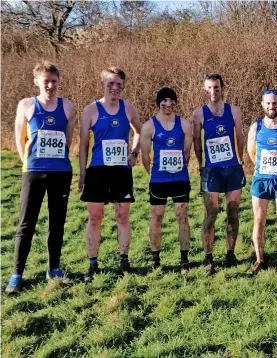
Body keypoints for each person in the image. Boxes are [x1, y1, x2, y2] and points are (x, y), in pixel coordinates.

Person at [6, 61, 75, 293]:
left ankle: (54, 267)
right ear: (36, 81)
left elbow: (68, 139)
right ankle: (17, 273)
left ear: (59, 82)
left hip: (61, 172)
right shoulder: (26, 105)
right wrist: (26, 162)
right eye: (45, 81)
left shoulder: (67, 107)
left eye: (54, 81)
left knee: (57, 223)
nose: (50, 85)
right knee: (27, 223)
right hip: (34, 171)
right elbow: (19, 137)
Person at [79, 66, 142, 282]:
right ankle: (92, 264)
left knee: (122, 216)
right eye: (111, 83)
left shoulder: (129, 109)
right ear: (103, 83)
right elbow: (84, 144)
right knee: (95, 217)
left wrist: (134, 153)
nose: (115, 88)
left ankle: (124, 261)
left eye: (119, 84)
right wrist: (82, 173)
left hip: (121, 172)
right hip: (97, 171)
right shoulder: (90, 110)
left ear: (123, 87)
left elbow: (140, 132)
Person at [192, 74, 245, 273]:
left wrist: (241, 160)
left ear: (223, 88)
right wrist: (200, 164)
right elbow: (197, 142)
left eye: (216, 87)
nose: (213, 92)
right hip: (212, 171)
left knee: (233, 212)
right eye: (209, 88)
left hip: (232, 169)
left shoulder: (234, 111)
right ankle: (208, 257)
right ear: (204, 90)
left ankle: (230, 254)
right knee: (211, 214)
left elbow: (239, 137)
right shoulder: (199, 114)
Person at [140, 88, 193, 274]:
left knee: (182, 217)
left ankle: (184, 260)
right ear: (158, 103)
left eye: (172, 101)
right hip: (159, 180)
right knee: (156, 217)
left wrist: (178, 168)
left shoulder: (185, 125)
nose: (168, 104)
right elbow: (144, 156)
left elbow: (187, 153)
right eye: (164, 101)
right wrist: (152, 174)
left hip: (179, 178)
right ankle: (155, 259)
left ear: (176, 103)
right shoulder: (149, 126)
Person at [246, 89, 277, 275]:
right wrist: (263, 169)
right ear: (262, 104)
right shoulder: (255, 127)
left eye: (274, 103)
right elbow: (251, 153)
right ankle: (259, 260)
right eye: (268, 103)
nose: (271, 106)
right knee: (259, 221)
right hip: (260, 180)